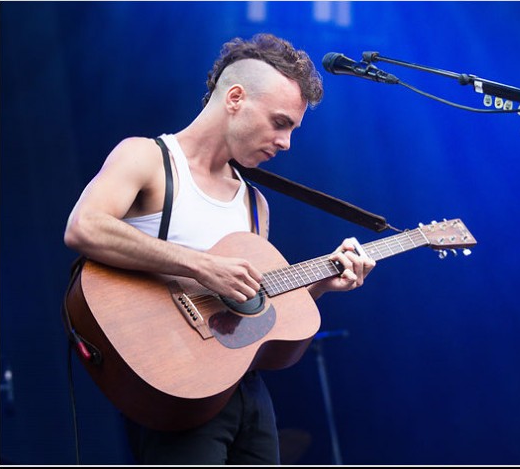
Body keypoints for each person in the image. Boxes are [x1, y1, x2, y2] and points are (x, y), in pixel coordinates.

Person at [63, 32, 376, 465]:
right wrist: (200, 266)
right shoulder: (147, 158)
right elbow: (84, 227)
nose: (286, 142)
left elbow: (253, 312)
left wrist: (324, 282)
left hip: (243, 390)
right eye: (280, 122)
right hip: (175, 391)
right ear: (234, 98)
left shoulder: (255, 204)